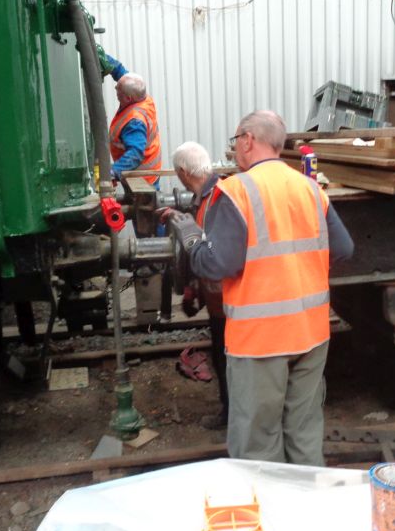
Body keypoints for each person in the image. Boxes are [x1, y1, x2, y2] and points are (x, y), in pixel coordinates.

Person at [169, 110, 354, 466]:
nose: (234, 148)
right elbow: (344, 249)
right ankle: (305, 508)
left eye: (235, 140)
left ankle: (267, 514)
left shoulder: (236, 191)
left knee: (258, 443)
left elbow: (216, 264)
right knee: (304, 432)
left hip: (260, 341)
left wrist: (192, 239)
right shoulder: (311, 188)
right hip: (312, 334)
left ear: (248, 140)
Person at [161, 142, 228, 429]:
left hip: (228, 304)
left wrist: (194, 287)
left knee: (228, 363)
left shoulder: (218, 200)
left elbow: (213, 253)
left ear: (183, 173)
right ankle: (230, 411)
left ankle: (231, 417)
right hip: (218, 301)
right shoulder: (207, 197)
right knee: (223, 359)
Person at [102, 55, 162, 188]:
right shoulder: (142, 96)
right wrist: (104, 58)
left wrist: (113, 171)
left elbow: (135, 155)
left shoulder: (134, 122)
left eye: (118, 90)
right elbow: (122, 74)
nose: (115, 89)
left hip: (142, 180)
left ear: (128, 98)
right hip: (145, 172)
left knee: (143, 208)